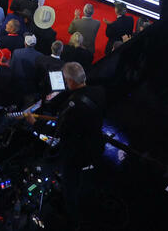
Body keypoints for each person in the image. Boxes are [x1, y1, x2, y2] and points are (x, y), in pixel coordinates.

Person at [25, 63, 106, 227]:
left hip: (76, 153)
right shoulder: (100, 91)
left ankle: (73, 220)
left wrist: (34, 123)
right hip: (95, 143)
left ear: (70, 81)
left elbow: (58, 132)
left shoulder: (72, 106)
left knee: (71, 188)